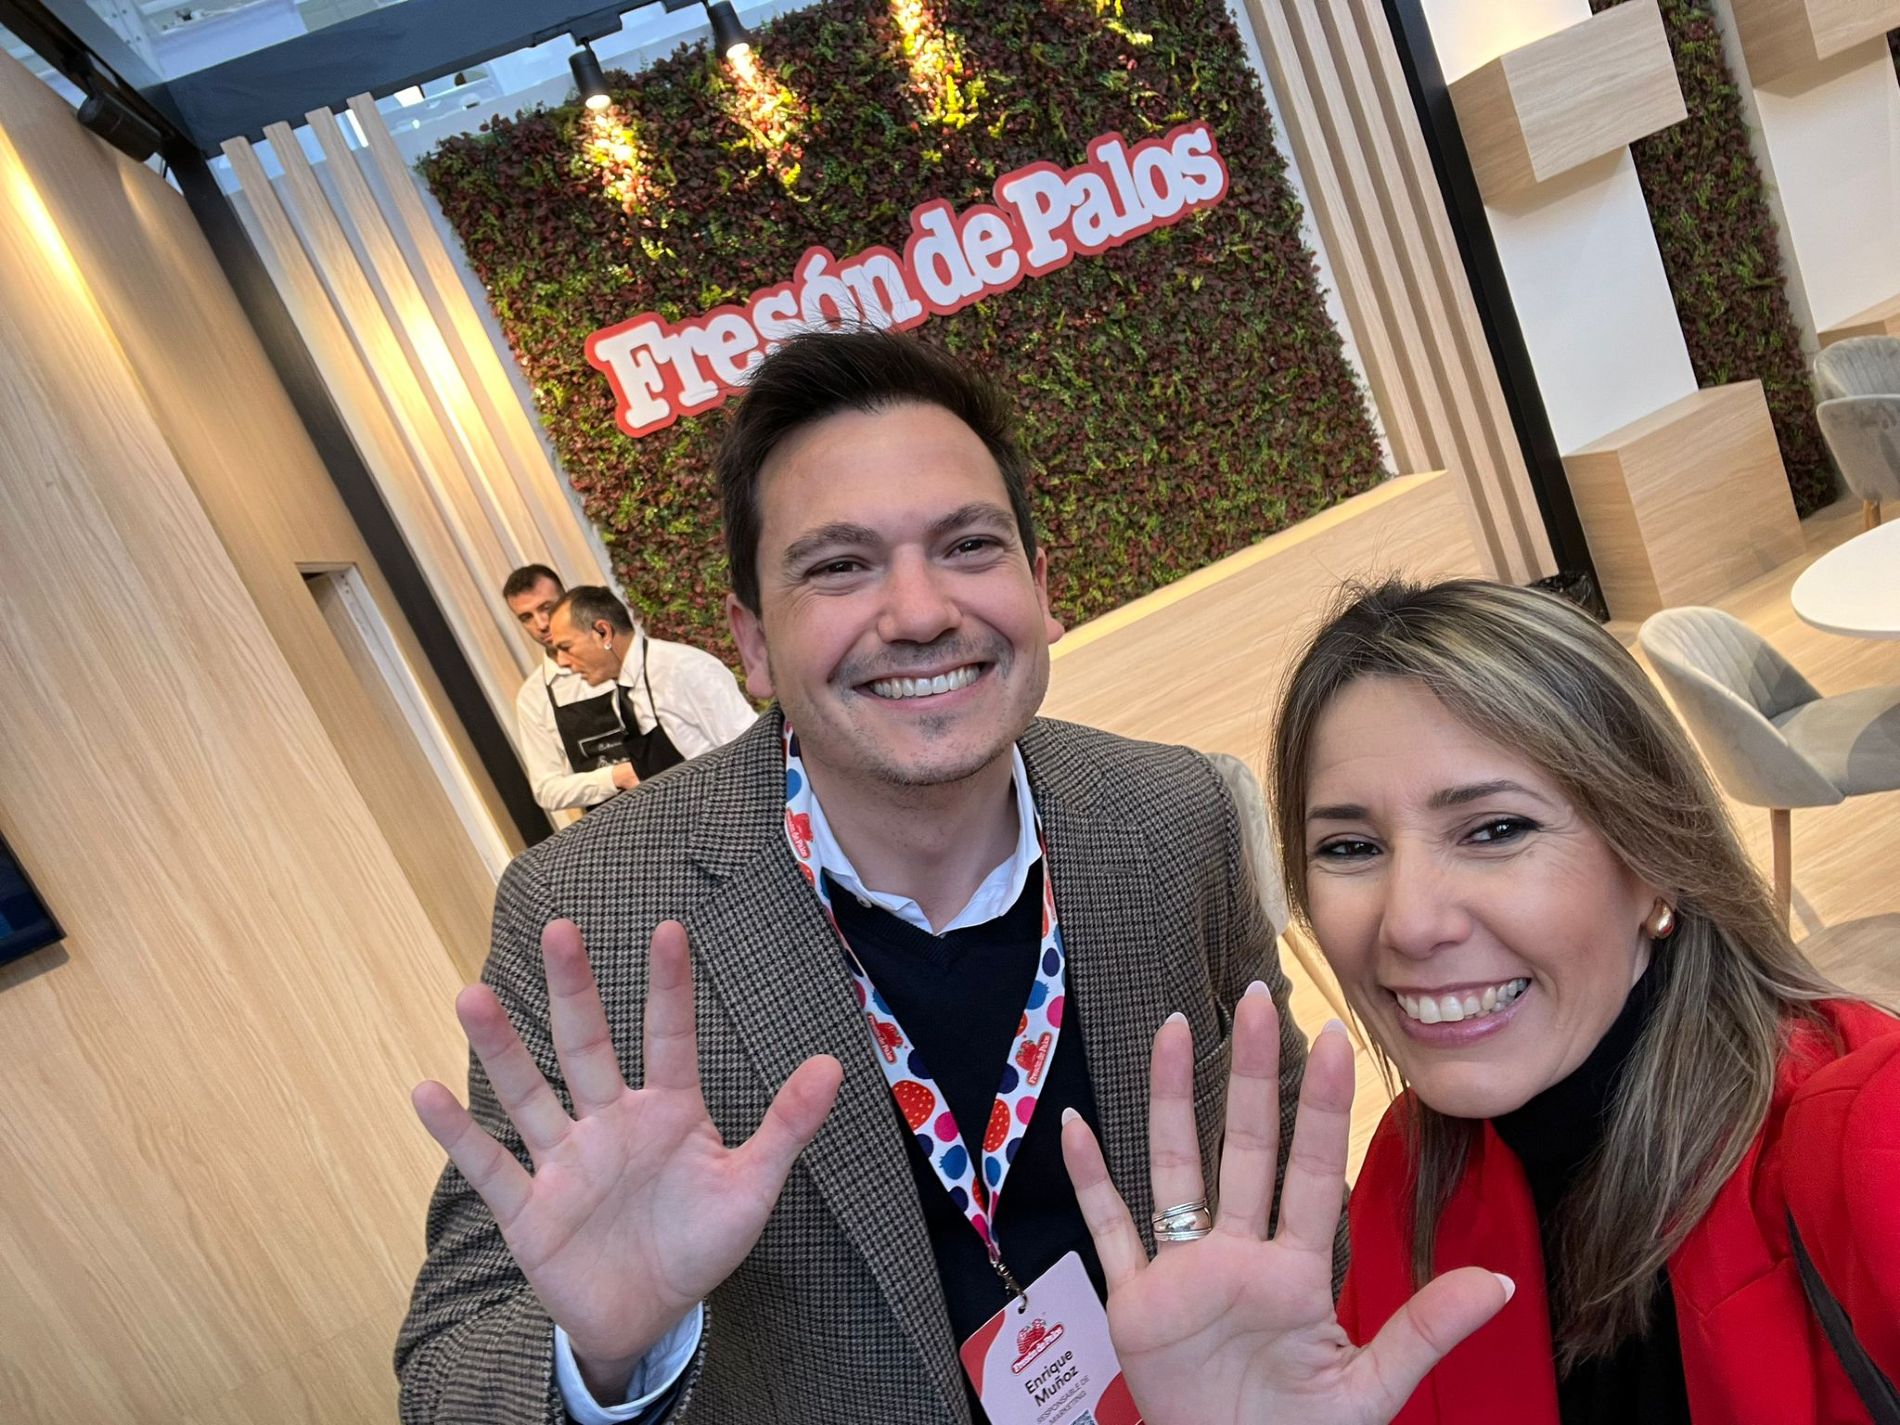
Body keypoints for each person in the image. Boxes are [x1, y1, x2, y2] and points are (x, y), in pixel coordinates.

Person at [396, 329, 1367, 1425]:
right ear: (752, 642)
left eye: (969, 545)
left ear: (1041, 589)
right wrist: (608, 1352)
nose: (918, 613)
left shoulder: (1173, 816)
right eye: (839, 566)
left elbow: (1283, 1145)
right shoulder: (594, 917)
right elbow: (451, 1371)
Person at [1062, 578, 1900, 1425]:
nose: (1410, 921)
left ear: (1655, 855)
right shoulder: (1413, 1183)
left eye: (1497, 829)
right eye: (1350, 846)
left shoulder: (1862, 1142)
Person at [543, 584, 758, 787]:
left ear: (603, 632)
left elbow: (753, 753)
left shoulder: (684, 670)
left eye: (566, 647)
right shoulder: (621, 697)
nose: (561, 662)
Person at [505, 564, 627, 813]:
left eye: (546, 607)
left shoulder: (620, 655)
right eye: (526, 617)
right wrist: (615, 777)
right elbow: (546, 790)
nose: (541, 624)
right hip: (613, 820)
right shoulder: (533, 697)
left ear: (567, 599)